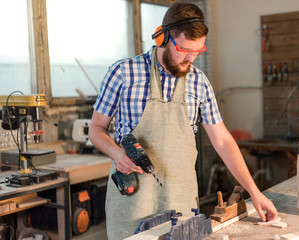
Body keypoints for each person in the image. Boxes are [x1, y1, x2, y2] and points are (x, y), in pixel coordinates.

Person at [89, 2, 277, 239]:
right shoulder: (123, 73)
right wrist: (117, 154)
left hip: (181, 205)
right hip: (132, 205)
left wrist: (254, 191)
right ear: (163, 38)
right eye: (184, 49)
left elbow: (223, 141)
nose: (191, 58)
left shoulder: (199, 82)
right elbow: (96, 129)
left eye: (198, 51)